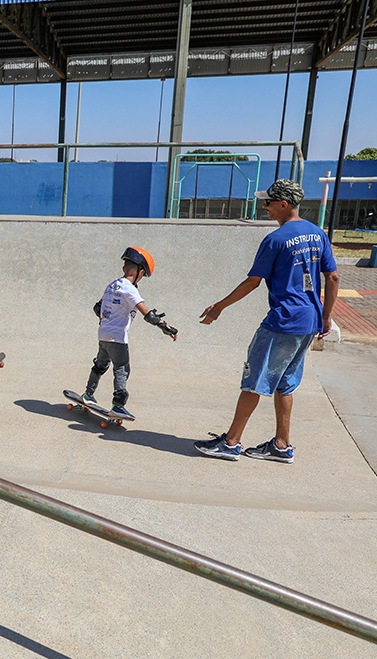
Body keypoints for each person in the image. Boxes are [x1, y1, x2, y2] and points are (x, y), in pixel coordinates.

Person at [194, 179, 339, 462]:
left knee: (255, 380)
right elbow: (333, 277)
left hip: (283, 321)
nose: (265, 207)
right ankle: (282, 446)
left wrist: (219, 307)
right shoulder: (318, 234)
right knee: (285, 384)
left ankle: (231, 443)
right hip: (309, 321)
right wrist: (326, 317)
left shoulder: (276, 239)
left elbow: (253, 282)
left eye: (268, 202)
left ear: (284, 204)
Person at [79, 247, 178, 419]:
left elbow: (97, 308)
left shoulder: (112, 285)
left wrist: (107, 320)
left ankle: (88, 394)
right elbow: (148, 314)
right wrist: (165, 327)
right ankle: (118, 406)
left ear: (124, 268)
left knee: (100, 365)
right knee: (122, 369)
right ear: (141, 271)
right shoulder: (130, 289)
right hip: (118, 337)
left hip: (103, 334)